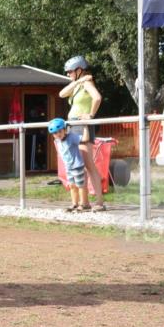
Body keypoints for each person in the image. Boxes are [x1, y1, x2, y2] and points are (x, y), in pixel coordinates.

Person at [59, 55, 105, 211]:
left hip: (82, 126)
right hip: (72, 126)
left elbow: (97, 98)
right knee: (78, 165)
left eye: (70, 71)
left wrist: (90, 116)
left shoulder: (87, 82)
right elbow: (61, 94)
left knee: (88, 164)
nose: (68, 74)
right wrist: (77, 81)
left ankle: (99, 202)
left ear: (79, 70)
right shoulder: (79, 83)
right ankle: (84, 203)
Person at [48, 118, 89, 212]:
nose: (57, 134)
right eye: (54, 133)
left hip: (77, 166)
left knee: (80, 185)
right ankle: (75, 203)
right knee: (72, 185)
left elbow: (85, 139)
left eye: (59, 131)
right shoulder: (57, 141)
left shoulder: (71, 137)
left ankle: (84, 204)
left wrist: (86, 126)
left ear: (65, 130)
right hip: (68, 167)